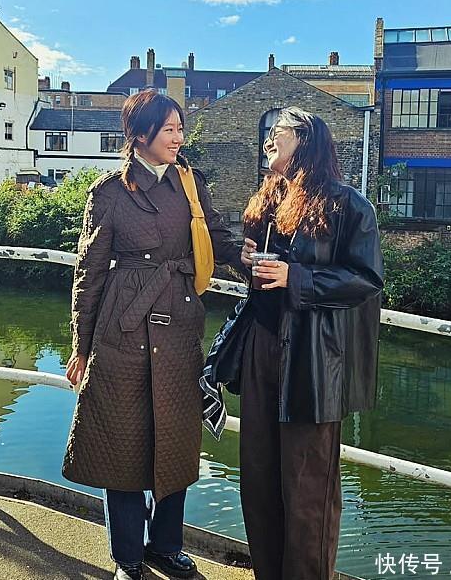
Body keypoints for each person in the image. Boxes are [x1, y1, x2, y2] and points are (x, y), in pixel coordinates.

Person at [62, 89, 242, 580]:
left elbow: (216, 238)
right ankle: (128, 557)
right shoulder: (109, 192)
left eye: (181, 129)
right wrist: (81, 346)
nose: (178, 138)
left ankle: (165, 546)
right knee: (121, 443)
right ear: (140, 134)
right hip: (122, 331)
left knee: (178, 439)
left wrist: (249, 263)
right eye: (169, 130)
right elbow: (89, 273)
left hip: (180, 325)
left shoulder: (190, 183)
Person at [235, 107, 383, 580]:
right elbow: (261, 277)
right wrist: (246, 261)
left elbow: (365, 280)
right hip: (262, 348)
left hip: (313, 360)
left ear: (305, 139)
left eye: (277, 132)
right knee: (259, 478)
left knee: (307, 490)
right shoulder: (268, 200)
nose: (268, 140)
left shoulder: (348, 205)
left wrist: (294, 277)